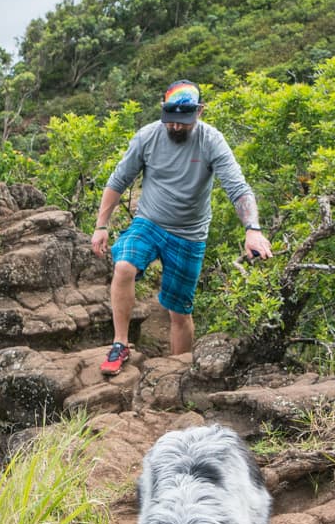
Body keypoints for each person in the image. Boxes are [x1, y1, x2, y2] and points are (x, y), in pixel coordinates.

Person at [89, 80, 271, 373]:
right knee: (123, 266)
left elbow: (238, 188)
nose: (175, 127)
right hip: (149, 222)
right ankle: (120, 344)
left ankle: (175, 372)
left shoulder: (211, 141)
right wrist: (101, 226)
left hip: (189, 235)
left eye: (183, 121)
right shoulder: (147, 137)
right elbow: (118, 181)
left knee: (179, 311)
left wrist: (253, 229)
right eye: (170, 119)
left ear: (200, 111)